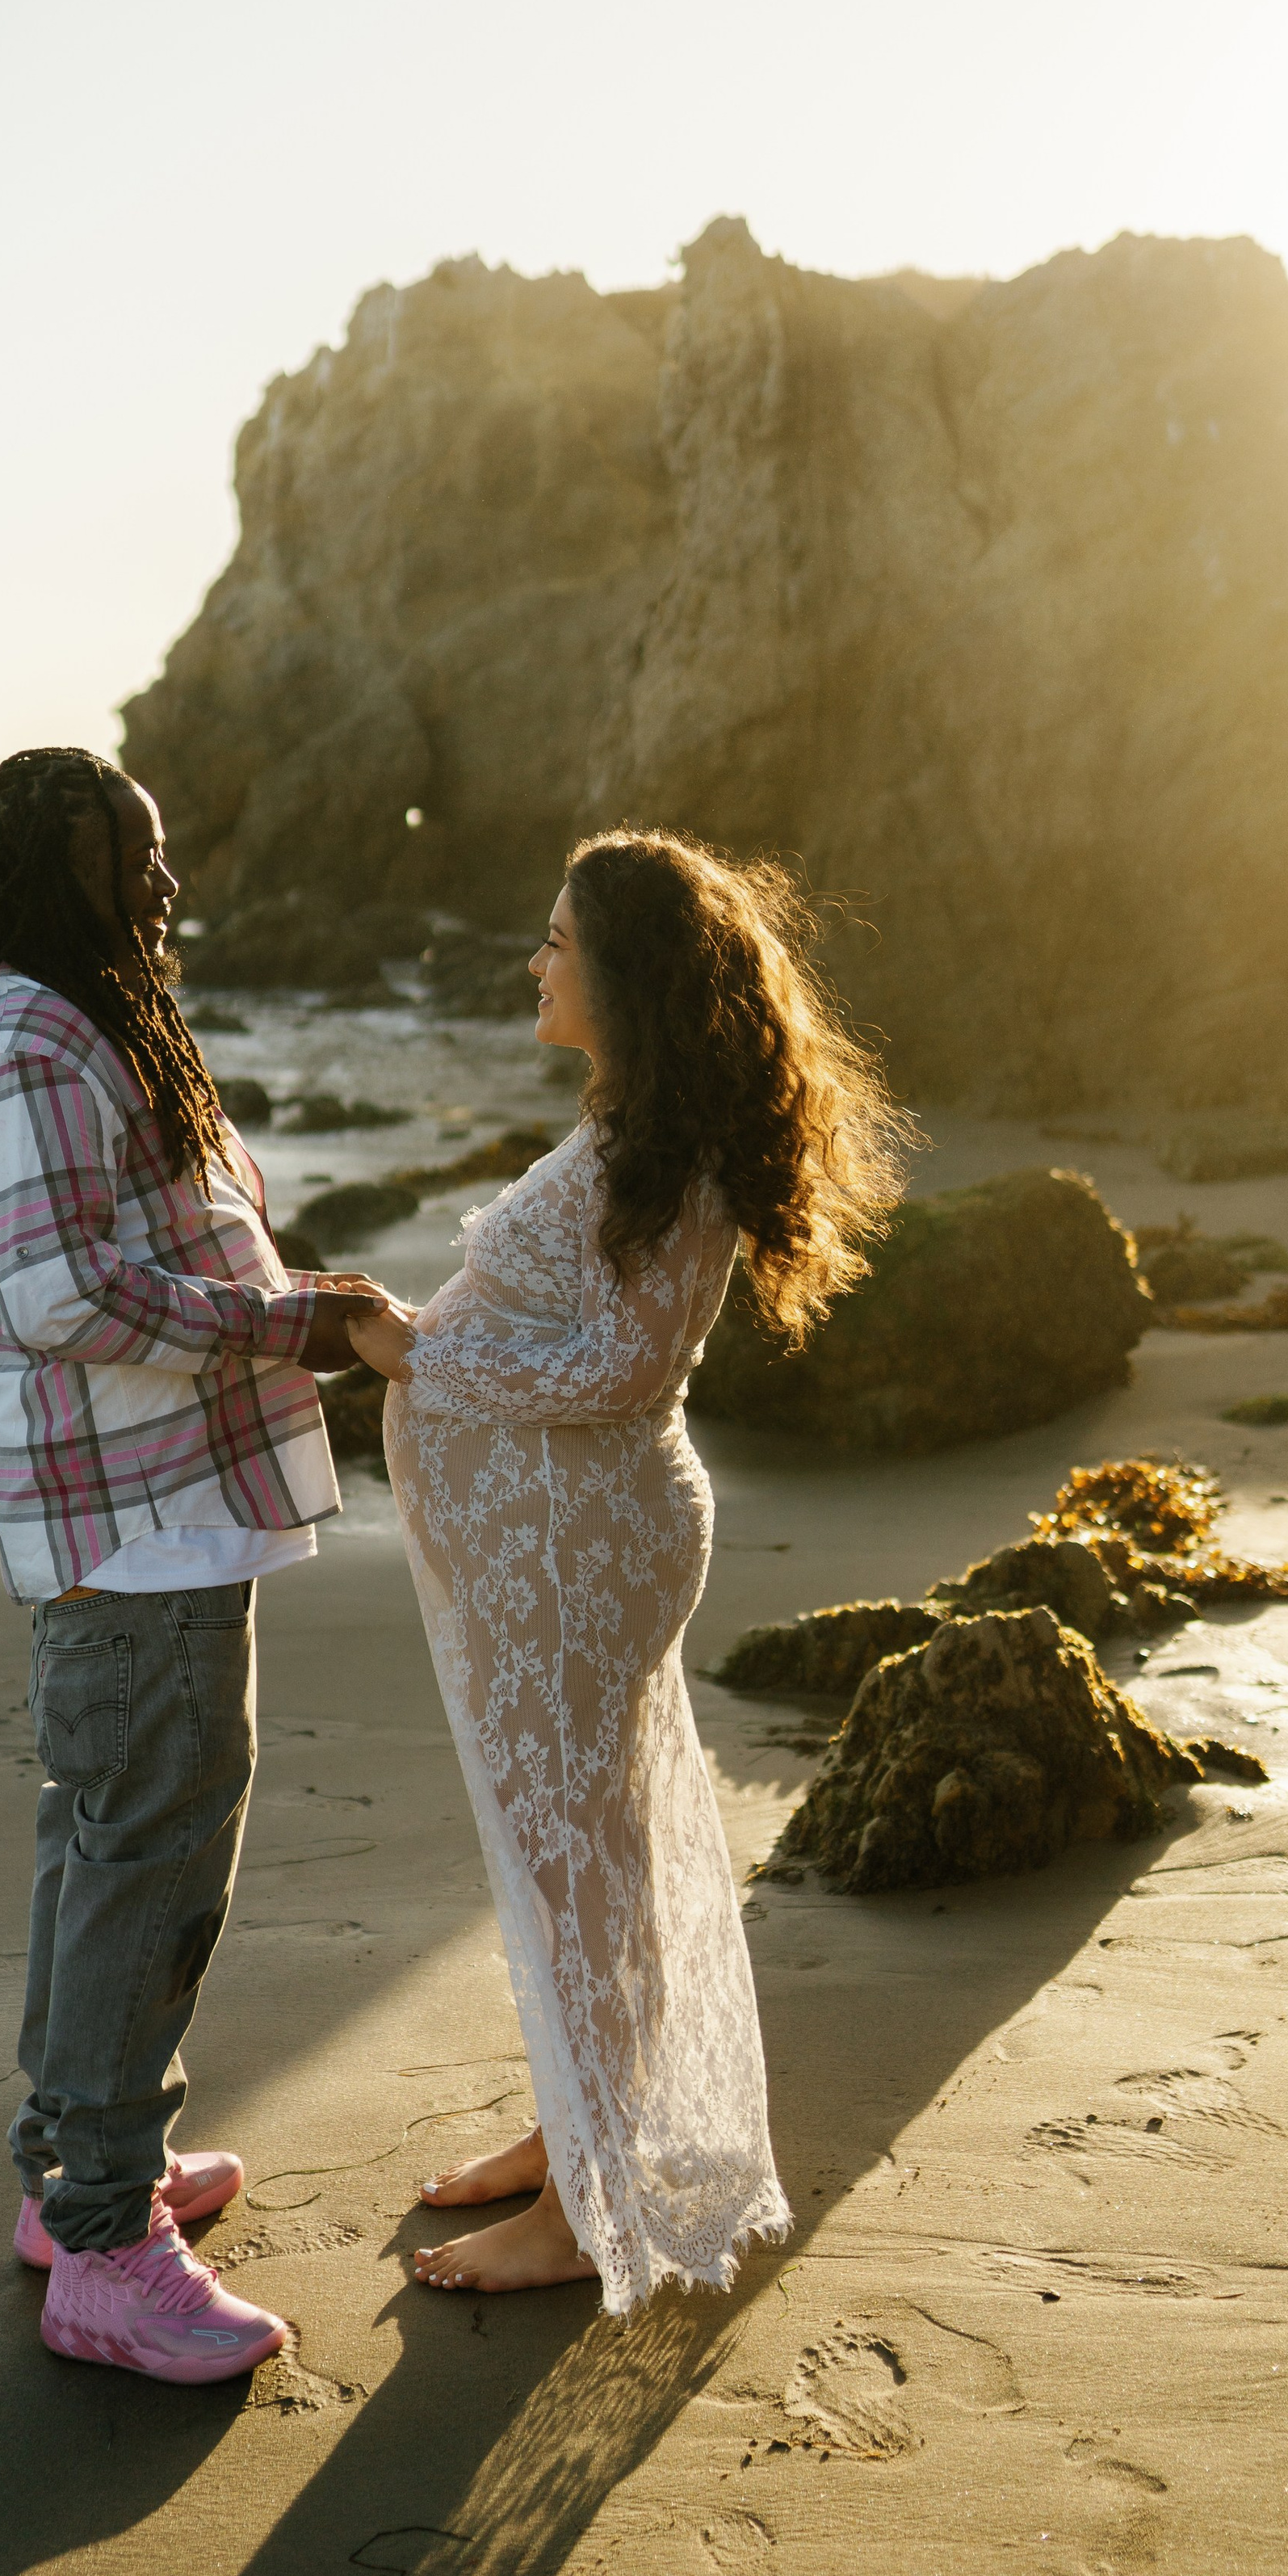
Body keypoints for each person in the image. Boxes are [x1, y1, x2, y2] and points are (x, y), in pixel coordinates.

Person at [346, 830, 911, 2310]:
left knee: (574, 1859)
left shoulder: (674, 1148)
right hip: (564, 1543)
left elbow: (621, 1362)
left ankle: (586, 2210)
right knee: (588, 1852)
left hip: (584, 1547)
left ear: (625, 970)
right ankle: (574, 2129)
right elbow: (578, 1335)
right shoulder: (640, 1125)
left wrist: (415, 1348)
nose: (534, 963)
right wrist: (418, 1339)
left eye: (556, 941)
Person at [0, 746, 382, 2385]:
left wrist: (295, 1294)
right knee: (149, 1857)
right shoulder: (36, 1037)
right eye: (136, 856)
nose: (164, 881)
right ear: (64, 873)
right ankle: (110, 2248)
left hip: (154, 1501)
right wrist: (294, 1325)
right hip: (136, 1519)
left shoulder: (82, 1017)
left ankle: (76, 2178)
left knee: (104, 1838)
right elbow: (56, 1297)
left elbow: (46, 1278)